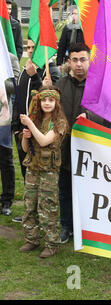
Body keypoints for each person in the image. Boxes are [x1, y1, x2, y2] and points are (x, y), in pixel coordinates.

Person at [55, 43, 111, 244]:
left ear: (89, 61)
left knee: (90, 190)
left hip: (92, 149)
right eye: (74, 60)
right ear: (68, 62)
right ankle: (66, 226)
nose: (78, 64)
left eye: (83, 59)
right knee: (65, 189)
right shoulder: (60, 85)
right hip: (65, 147)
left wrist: (90, 116)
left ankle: (89, 228)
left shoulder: (100, 85)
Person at [10, 38, 61, 223]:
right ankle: (29, 211)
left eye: (34, 47)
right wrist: (17, 125)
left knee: (41, 178)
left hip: (41, 133)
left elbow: (51, 98)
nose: (30, 51)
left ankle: (42, 214)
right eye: (28, 47)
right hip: (24, 130)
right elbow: (20, 96)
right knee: (26, 172)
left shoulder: (51, 70)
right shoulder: (26, 68)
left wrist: (36, 77)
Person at [18, 85, 69, 258]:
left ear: (56, 102)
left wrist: (30, 125)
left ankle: (51, 244)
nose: (47, 103)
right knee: (29, 205)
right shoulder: (36, 119)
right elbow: (26, 148)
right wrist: (26, 136)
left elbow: (44, 141)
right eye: (44, 100)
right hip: (33, 168)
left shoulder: (60, 122)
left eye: (51, 100)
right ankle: (32, 239)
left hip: (49, 171)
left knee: (47, 207)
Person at [0, 53, 19, 217]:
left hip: (3, 120)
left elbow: (16, 85)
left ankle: (6, 200)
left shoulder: (9, 57)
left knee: (5, 161)